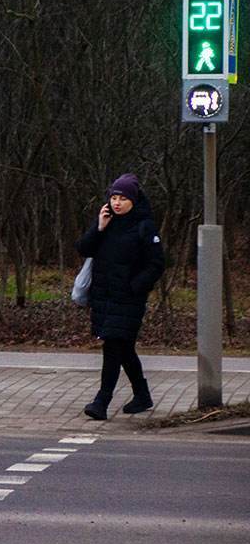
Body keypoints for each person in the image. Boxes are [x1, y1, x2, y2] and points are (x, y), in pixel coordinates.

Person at [76, 173, 165, 420]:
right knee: (123, 348)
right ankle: (142, 395)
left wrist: (135, 286)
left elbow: (157, 264)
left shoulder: (144, 227)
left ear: (133, 201)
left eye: (123, 198)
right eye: (114, 197)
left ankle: (101, 401)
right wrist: (99, 227)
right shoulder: (108, 223)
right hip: (104, 298)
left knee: (113, 346)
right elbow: (83, 248)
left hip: (128, 299)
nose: (117, 202)